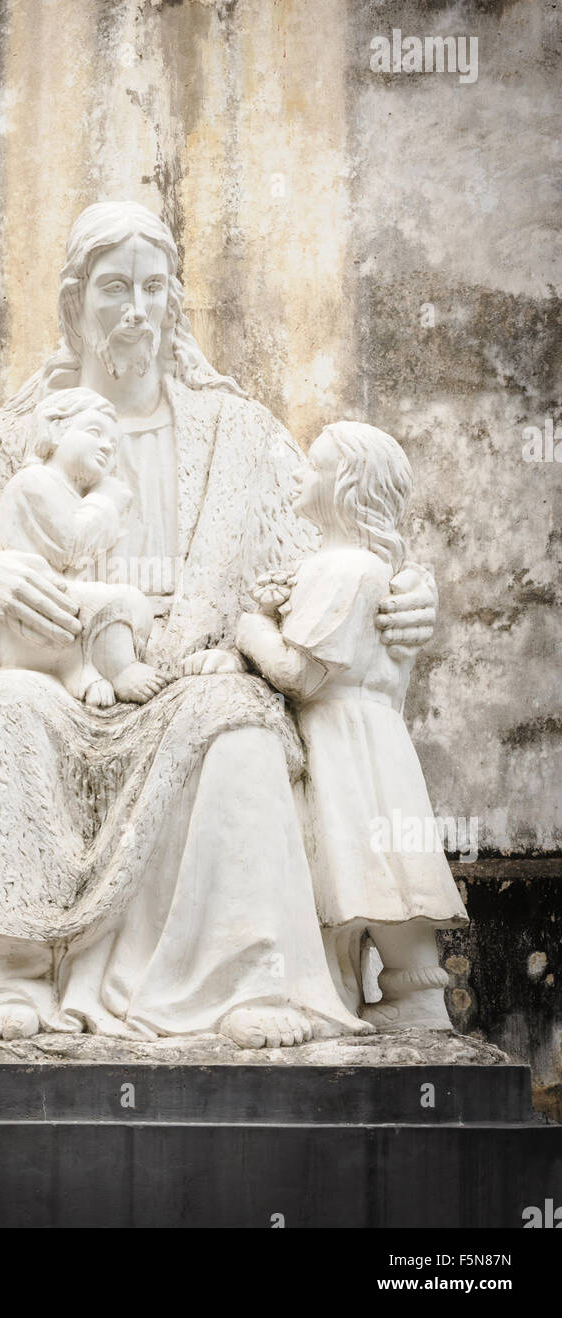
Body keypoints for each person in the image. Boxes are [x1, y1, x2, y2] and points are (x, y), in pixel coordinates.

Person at [0, 202, 439, 1048]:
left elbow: (332, 550)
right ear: (74, 304)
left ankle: (250, 978)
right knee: (0, 709)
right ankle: (12, 973)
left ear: (174, 303)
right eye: (115, 287)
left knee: (240, 728)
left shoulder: (239, 434)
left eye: (154, 288)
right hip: (55, 670)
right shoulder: (15, 441)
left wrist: (405, 593)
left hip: (194, 671)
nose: (136, 308)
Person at [237, 422, 467, 1030]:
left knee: (362, 863)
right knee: (393, 868)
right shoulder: (372, 568)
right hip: (379, 736)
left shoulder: (344, 569)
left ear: (343, 485)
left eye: (314, 467)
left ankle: (402, 998)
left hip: (339, 737)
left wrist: (252, 627)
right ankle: (414, 995)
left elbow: (299, 673)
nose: (301, 477)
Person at [0, 385, 165, 707]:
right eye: (95, 432)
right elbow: (71, 545)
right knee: (118, 599)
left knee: (133, 603)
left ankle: (90, 668)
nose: (106, 447)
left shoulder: (69, 494)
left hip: (60, 607)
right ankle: (117, 670)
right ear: (55, 430)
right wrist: (106, 501)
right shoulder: (34, 481)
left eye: (112, 445)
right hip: (34, 616)